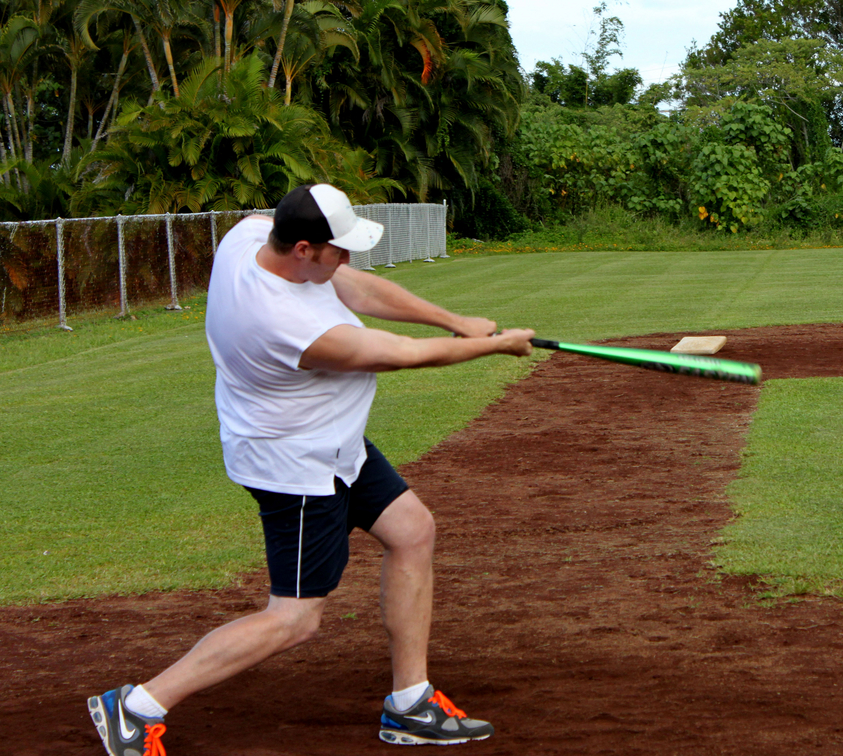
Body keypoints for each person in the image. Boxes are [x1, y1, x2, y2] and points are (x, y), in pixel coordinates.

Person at [88, 183, 534, 754]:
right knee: (295, 619)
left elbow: (357, 285)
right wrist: (492, 347)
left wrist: (452, 319)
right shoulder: (281, 321)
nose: (346, 259)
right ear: (302, 248)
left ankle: (410, 703)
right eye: (336, 249)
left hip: (335, 444)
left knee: (413, 530)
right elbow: (399, 354)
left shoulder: (252, 234)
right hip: (296, 466)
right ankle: (135, 706)